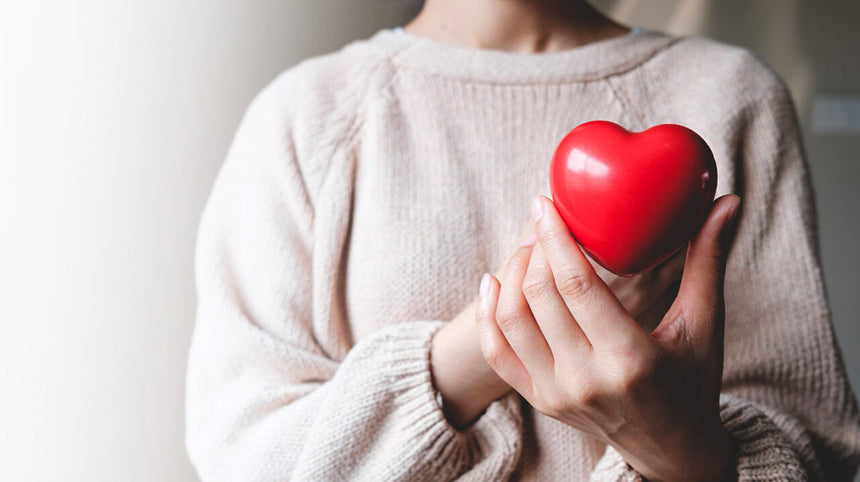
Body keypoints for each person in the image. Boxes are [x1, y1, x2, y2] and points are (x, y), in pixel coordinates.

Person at [185, 0, 860, 480]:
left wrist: (684, 456)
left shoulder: (731, 95)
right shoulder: (306, 116)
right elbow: (240, 453)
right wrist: (478, 349)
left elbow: (818, 451)